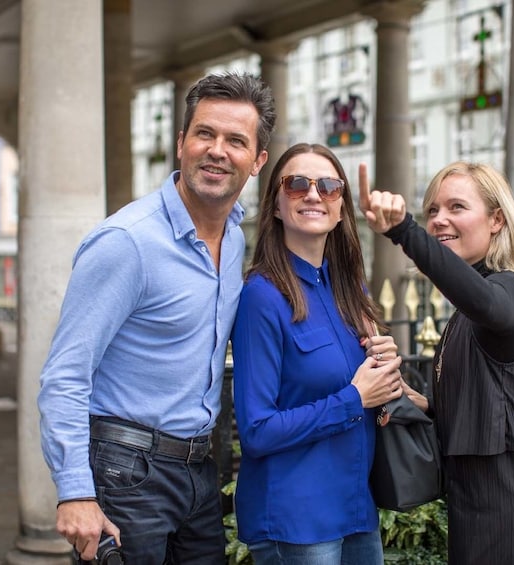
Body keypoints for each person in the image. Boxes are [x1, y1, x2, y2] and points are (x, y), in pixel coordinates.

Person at [37, 72, 276, 564]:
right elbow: (65, 374)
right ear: (180, 143)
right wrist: (75, 491)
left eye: (236, 141)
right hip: (124, 473)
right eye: (205, 134)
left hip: (197, 470)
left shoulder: (233, 239)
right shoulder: (127, 242)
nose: (217, 150)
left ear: (257, 161)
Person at [359, 161, 514, 564]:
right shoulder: (466, 314)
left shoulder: (511, 293)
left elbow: (485, 302)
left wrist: (404, 231)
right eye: (432, 210)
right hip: (486, 522)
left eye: (456, 207)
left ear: (497, 220)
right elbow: (493, 415)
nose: (440, 219)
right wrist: (424, 405)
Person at [230, 143, 404, 565]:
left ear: (341, 207)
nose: (313, 194)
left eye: (328, 186)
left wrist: (388, 380)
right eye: (296, 184)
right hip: (298, 520)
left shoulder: (351, 292)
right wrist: (354, 398)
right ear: (274, 204)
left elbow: (370, 401)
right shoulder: (262, 298)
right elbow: (256, 430)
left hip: (356, 509)